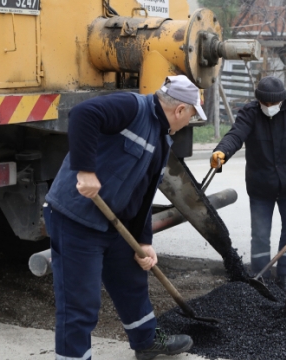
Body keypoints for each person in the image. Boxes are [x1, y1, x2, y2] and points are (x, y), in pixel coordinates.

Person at [44, 75, 205, 360]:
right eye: (191, 115)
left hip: (114, 224)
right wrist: (85, 170)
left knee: (132, 280)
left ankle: (146, 341)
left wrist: (143, 241)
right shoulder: (132, 107)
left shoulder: (161, 136)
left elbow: (141, 195)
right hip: (76, 219)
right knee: (80, 303)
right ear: (180, 110)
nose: (188, 122)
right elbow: (83, 114)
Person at [211, 76, 286, 293]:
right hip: (260, 186)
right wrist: (222, 151)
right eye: (264, 104)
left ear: (281, 101)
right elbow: (236, 134)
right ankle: (261, 278)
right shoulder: (250, 113)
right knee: (260, 233)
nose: (268, 108)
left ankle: (285, 277)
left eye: (272, 104)